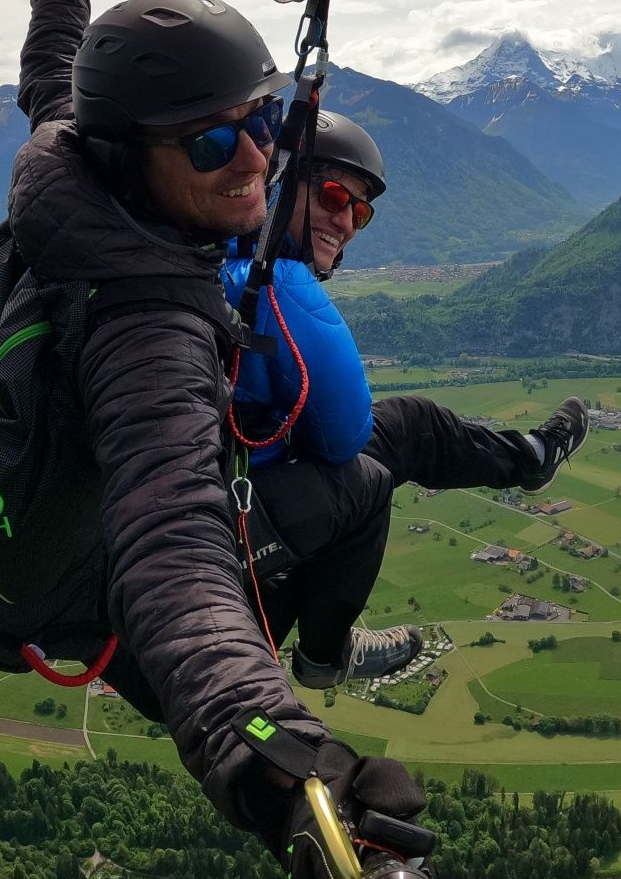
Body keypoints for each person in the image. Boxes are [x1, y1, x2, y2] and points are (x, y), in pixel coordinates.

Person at [5, 0, 431, 879]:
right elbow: (173, 552)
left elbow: (49, 67)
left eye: (261, 122)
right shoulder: (143, 323)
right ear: (133, 157)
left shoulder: (76, 155)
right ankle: (326, 650)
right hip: (115, 603)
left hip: (95, 546)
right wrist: (280, 765)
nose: (253, 160)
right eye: (209, 143)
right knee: (365, 478)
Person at [221, 108, 591, 690]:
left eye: (360, 211)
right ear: (279, 183)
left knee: (410, 424)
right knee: (366, 482)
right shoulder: (273, 286)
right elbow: (344, 435)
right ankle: (325, 655)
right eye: (334, 195)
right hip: (236, 549)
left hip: (221, 505)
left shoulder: (212, 256)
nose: (346, 221)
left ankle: (531, 457)